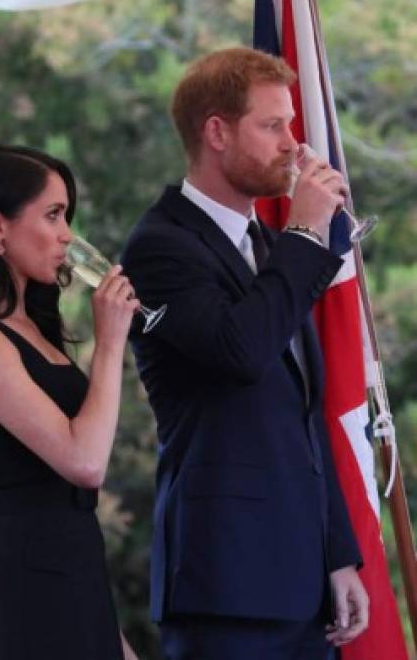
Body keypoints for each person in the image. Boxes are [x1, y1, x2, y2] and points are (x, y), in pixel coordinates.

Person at [121, 47, 369, 659]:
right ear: (217, 132)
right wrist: (308, 233)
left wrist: (338, 555)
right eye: (272, 125)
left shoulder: (268, 245)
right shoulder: (160, 246)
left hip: (305, 585)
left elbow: (303, 414)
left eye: (290, 124)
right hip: (226, 580)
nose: (292, 143)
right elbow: (241, 351)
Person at [0, 144, 140, 660]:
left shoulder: (32, 328)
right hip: (28, 594)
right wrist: (109, 344)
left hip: (74, 577)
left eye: (68, 217)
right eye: (53, 215)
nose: (67, 235)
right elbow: (83, 462)